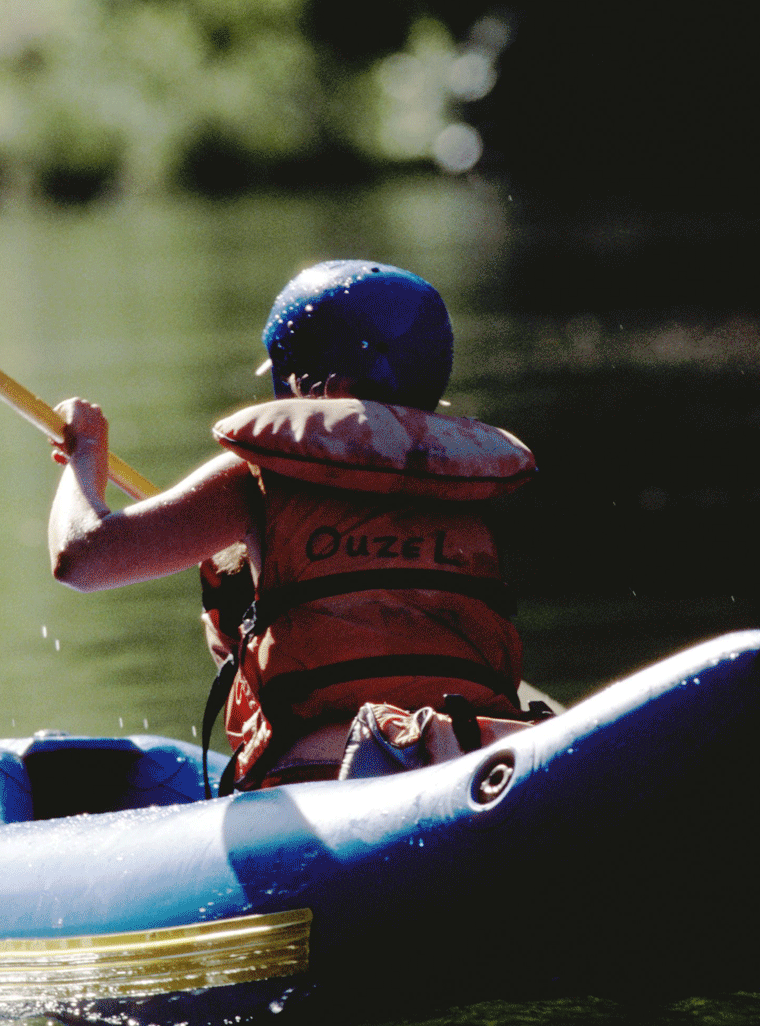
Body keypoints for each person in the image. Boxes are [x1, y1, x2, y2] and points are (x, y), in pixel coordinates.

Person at [47, 260, 538, 791]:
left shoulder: (257, 478)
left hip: (323, 779)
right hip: (477, 764)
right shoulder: (470, 486)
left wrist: (84, 461)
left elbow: (81, 559)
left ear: (313, 382)